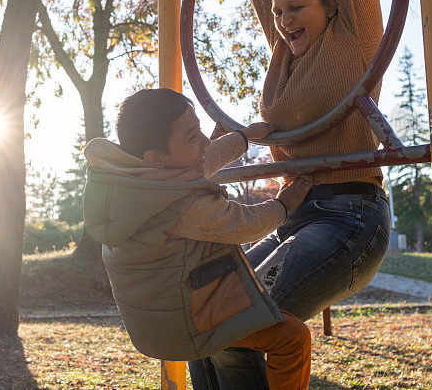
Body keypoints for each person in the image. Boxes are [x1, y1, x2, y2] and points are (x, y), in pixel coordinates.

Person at [189, 0, 390, 387]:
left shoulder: (356, 39)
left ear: (330, 7)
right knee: (205, 318)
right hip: (296, 215)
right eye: (278, 12)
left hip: (350, 217)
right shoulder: (284, 53)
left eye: (295, 8)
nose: (283, 21)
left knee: (244, 326)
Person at [83, 88, 314, 389]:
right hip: (184, 325)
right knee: (292, 338)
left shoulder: (135, 182)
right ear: (156, 158)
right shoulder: (181, 206)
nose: (205, 141)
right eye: (192, 136)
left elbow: (205, 158)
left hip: (158, 323)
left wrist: (244, 137)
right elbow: (243, 225)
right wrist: (283, 205)